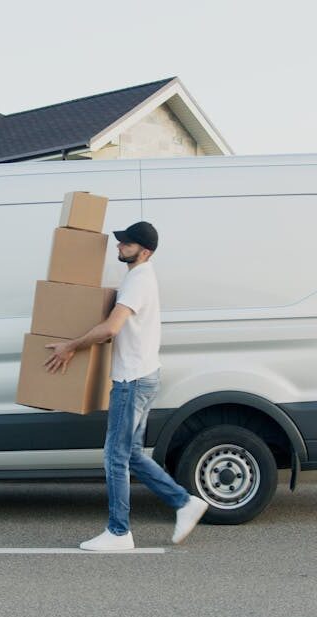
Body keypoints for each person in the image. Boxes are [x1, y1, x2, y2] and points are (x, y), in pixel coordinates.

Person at [44, 221, 207, 551]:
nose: (119, 246)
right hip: (144, 375)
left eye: (126, 243)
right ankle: (184, 502)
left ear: (144, 251)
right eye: (121, 242)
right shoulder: (140, 277)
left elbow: (111, 329)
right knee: (130, 453)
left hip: (132, 380)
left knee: (114, 456)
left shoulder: (139, 279)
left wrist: (70, 346)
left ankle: (119, 532)